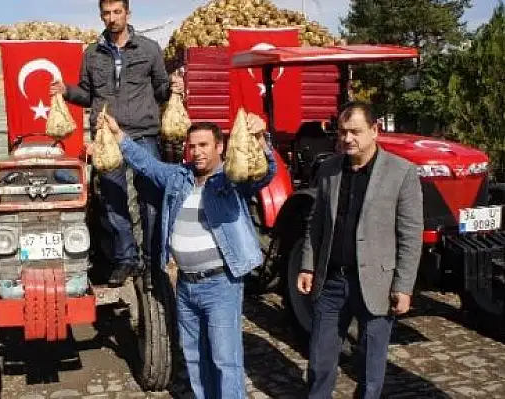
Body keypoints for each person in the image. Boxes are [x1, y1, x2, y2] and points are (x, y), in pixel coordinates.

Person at [98, 112, 276, 399]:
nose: (197, 152)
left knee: (224, 360)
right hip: (185, 285)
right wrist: (119, 136)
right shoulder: (179, 177)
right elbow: (147, 165)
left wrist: (260, 140)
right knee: (194, 356)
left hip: (220, 285)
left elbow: (264, 173)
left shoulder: (231, 179)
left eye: (204, 145)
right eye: (192, 146)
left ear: (220, 147)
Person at [50, 0, 184, 285]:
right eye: (106, 13)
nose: (111, 18)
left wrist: (173, 86)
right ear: (101, 15)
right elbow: (87, 94)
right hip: (106, 136)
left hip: (143, 134)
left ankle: (151, 262)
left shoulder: (148, 49)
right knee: (112, 201)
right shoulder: (92, 53)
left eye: (117, 12)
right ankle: (126, 260)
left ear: (127, 13)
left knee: (151, 201)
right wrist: (66, 91)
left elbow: (160, 90)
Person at [297, 102, 423, 399]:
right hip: (332, 281)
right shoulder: (328, 169)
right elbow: (316, 223)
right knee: (320, 358)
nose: (347, 138)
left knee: (371, 365)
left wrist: (403, 286)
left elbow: (409, 235)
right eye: (342, 132)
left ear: (374, 131)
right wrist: (307, 265)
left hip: (377, 283)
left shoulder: (401, 172)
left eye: (355, 131)